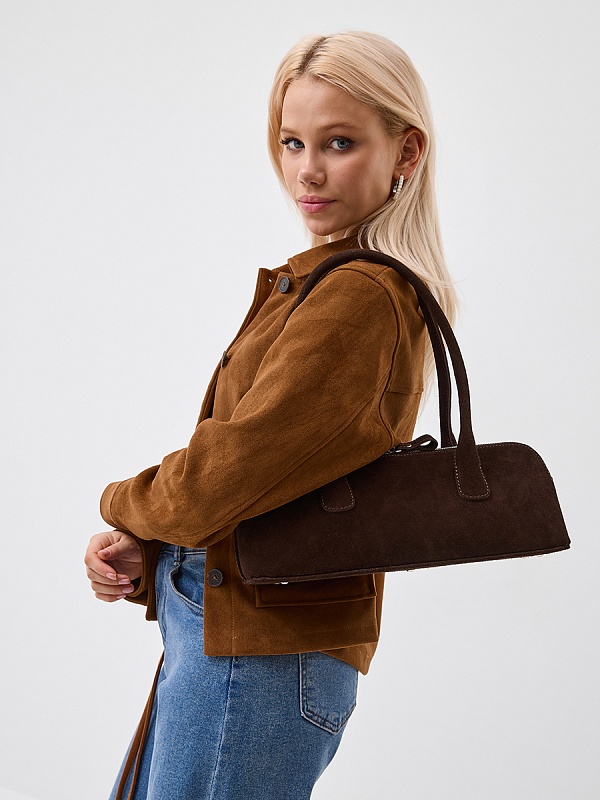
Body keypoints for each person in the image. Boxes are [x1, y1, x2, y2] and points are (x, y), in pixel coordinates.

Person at [84, 30, 458, 800]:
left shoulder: (357, 296)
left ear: (407, 151)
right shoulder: (326, 284)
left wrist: (122, 502)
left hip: (253, 661)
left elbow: (223, 473)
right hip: (235, 643)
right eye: (292, 142)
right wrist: (154, 547)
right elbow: (269, 484)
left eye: (340, 142)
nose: (307, 170)